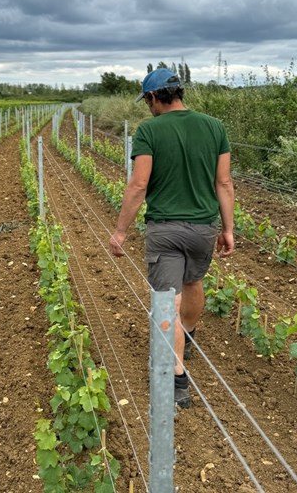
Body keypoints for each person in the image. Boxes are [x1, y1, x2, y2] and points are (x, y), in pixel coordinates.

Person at [109, 68, 234, 408]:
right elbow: (223, 183)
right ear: (179, 92)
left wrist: (120, 232)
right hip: (203, 227)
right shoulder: (214, 126)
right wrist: (228, 229)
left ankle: (177, 381)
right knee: (193, 284)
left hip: (164, 228)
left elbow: (138, 185)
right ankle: (186, 339)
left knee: (168, 301)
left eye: (146, 100)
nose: (147, 107)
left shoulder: (149, 130)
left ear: (153, 97)